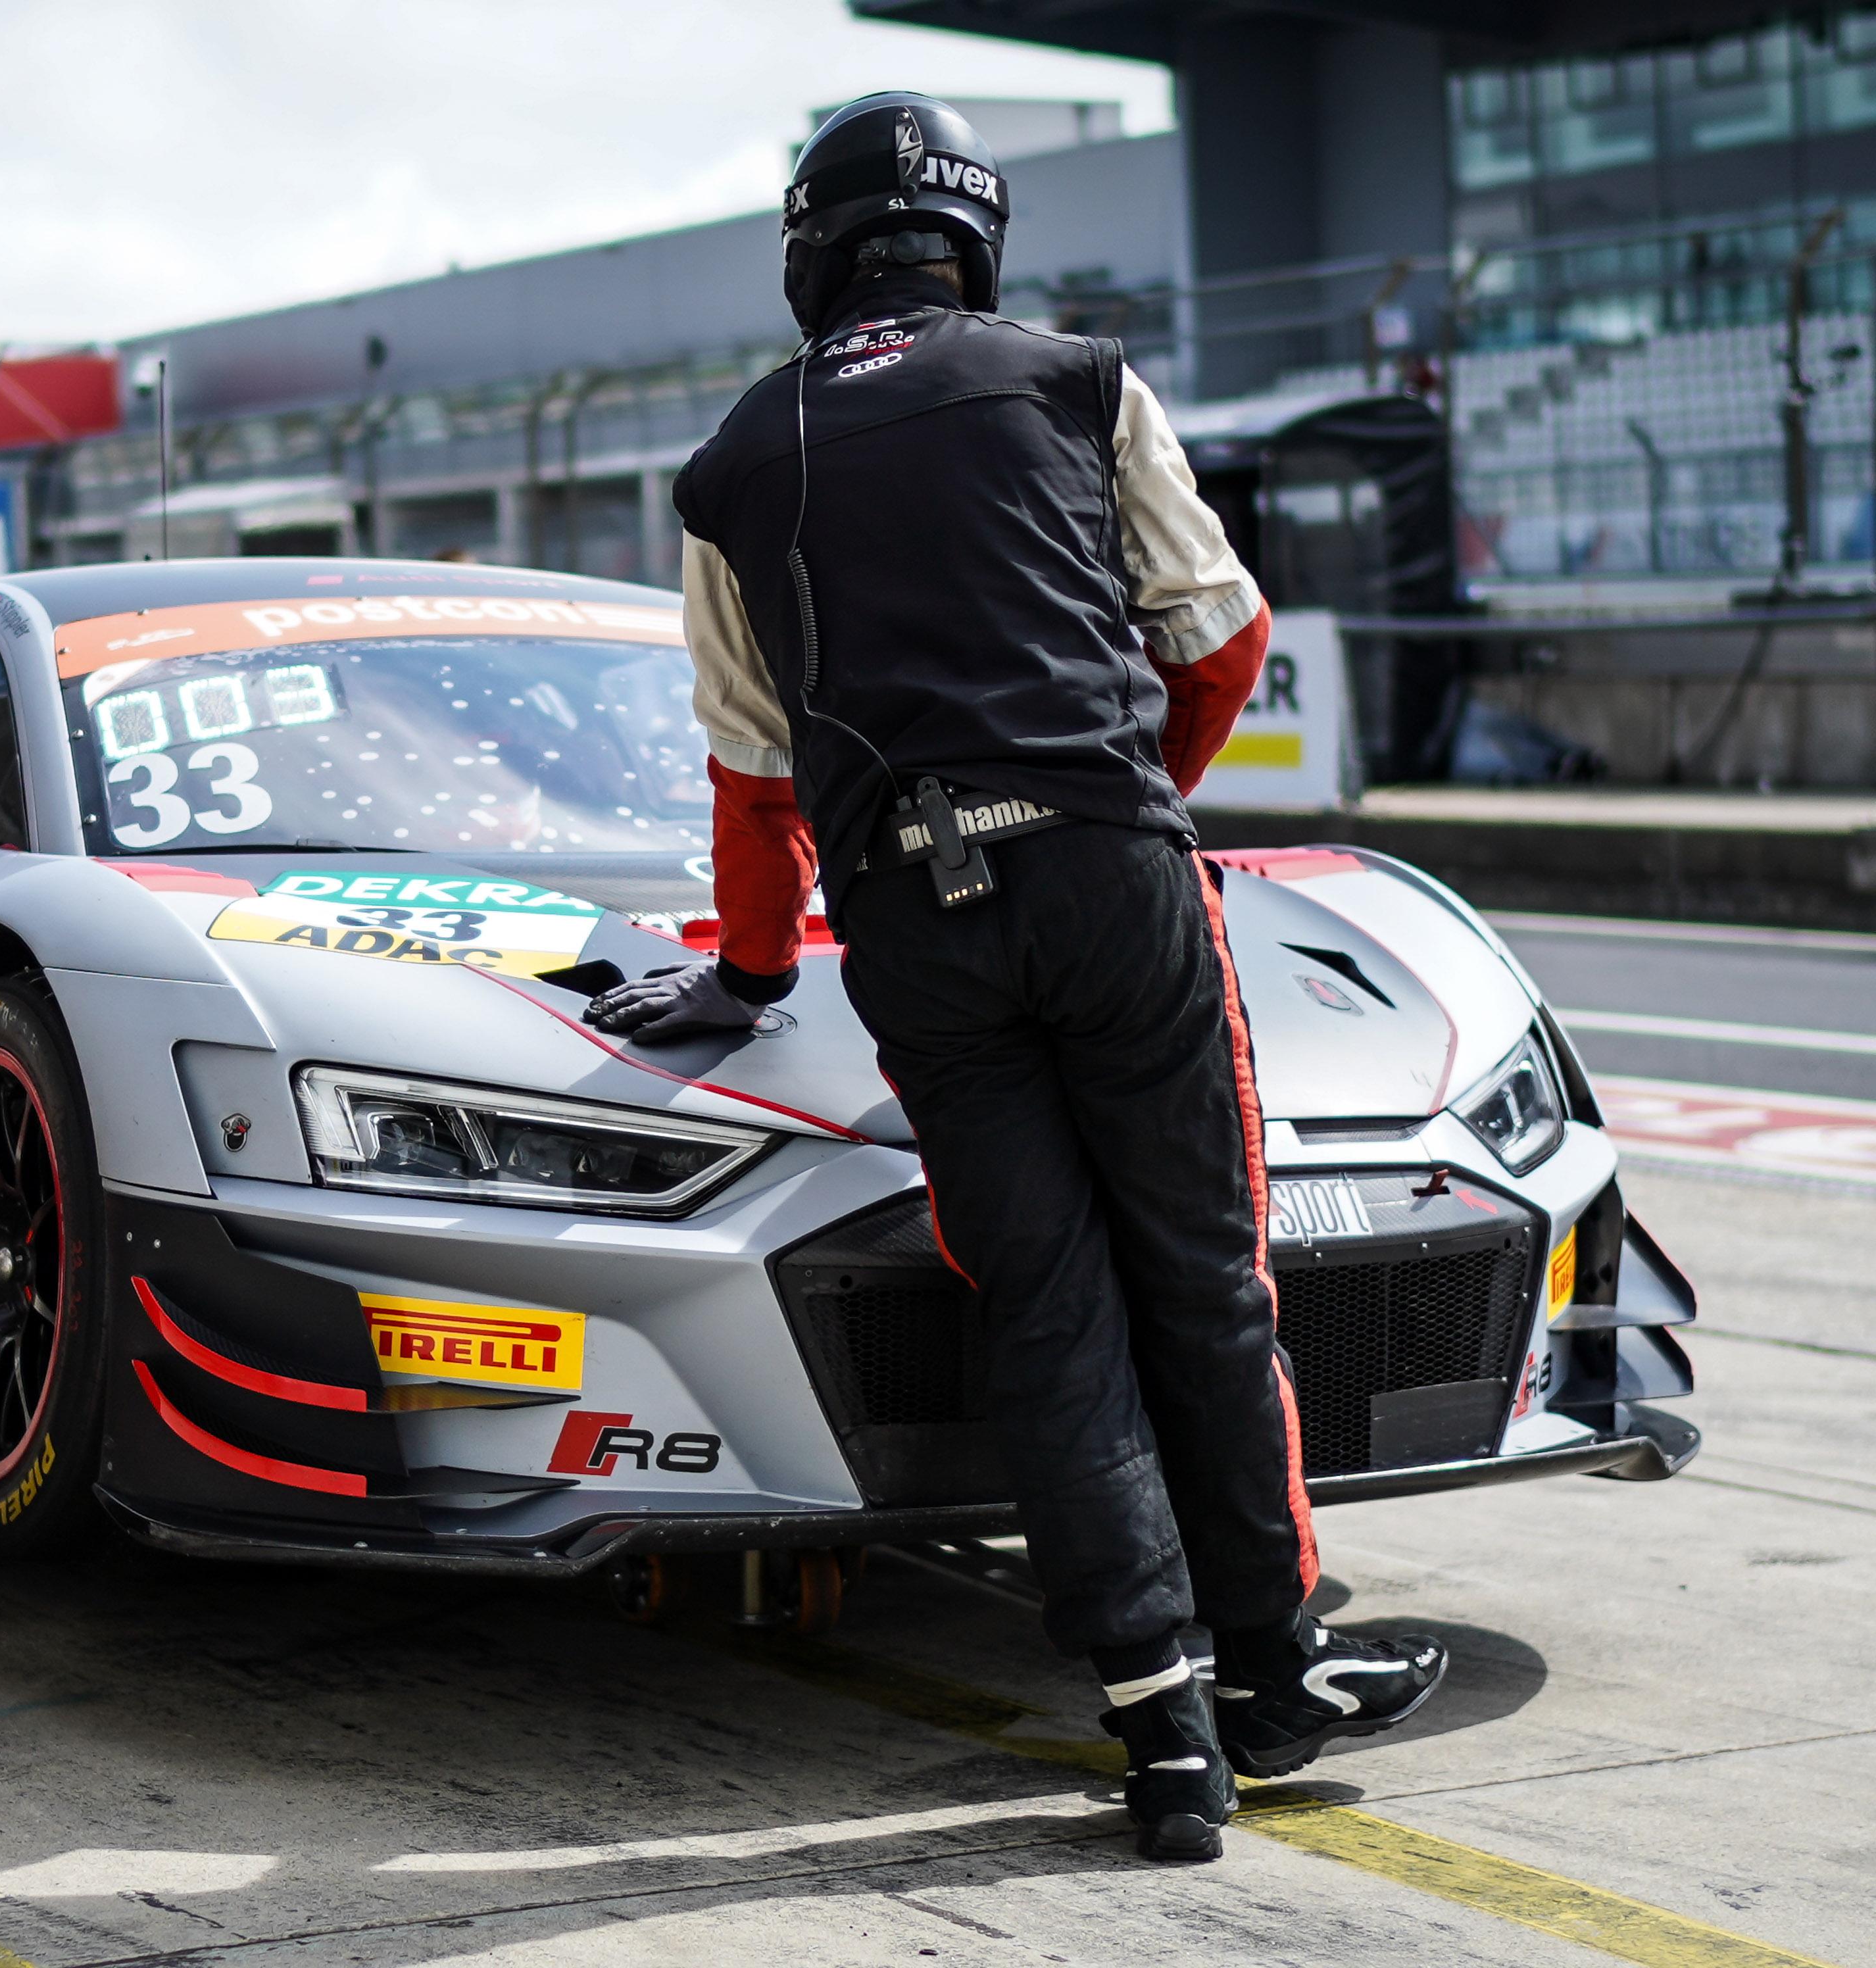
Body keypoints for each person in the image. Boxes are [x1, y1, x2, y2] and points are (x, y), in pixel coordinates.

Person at [590, 94, 1447, 1861]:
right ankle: (1276, 1673)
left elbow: (752, 776)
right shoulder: (1078, 381)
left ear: (812, 258)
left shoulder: (732, 465)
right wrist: (1132, 804)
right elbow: (1222, 636)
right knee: (1204, 1285)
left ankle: (1160, 1736)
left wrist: (746, 974)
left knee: (1047, 1311)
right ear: (972, 238)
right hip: (1109, 879)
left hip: (914, 922)